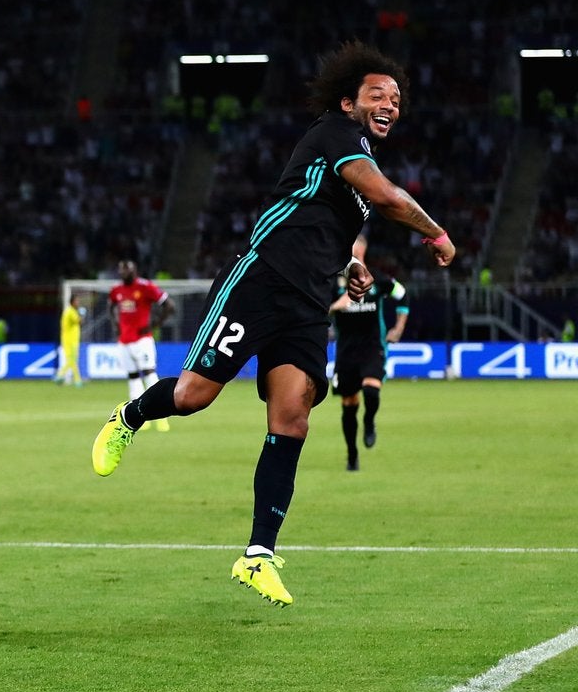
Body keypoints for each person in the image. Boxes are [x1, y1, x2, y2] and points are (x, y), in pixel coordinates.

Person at [91, 41, 455, 607]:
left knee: (293, 419)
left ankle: (258, 554)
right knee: (191, 396)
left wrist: (351, 267)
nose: (390, 104)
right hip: (260, 281)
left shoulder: (354, 164)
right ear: (348, 102)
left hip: (308, 303)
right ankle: (129, 417)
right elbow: (387, 198)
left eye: (396, 99)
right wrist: (436, 233)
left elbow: (321, 227)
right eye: (377, 95)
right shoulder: (335, 133)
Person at [329, 233, 409, 471]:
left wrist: (398, 328)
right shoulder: (333, 283)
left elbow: (402, 295)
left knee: (371, 389)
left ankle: (369, 421)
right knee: (349, 402)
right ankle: (352, 454)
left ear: (362, 251)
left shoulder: (377, 279)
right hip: (346, 350)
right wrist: (335, 306)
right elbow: (317, 309)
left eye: (355, 249)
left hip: (372, 346)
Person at [110, 259, 175, 431]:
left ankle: (161, 416)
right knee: (133, 377)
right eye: (121, 270)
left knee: (149, 374)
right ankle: (140, 417)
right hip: (124, 341)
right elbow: (111, 306)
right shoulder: (116, 290)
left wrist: (155, 324)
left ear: (134, 271)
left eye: (126, 270)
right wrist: (116, 325)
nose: (123, 273)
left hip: (142, 340)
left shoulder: (145, 287)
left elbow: (169, 305)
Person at [53, 293, 84, 387]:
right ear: (72, 302)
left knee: (72, 360)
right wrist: (82, 314)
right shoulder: (71, 312)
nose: (78, 303)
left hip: (66, 339)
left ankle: (77, 380)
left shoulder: (67, 311)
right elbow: (79, 321)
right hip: (71, 340)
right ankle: (60, 375)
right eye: (77, 301)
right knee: (72, 360)